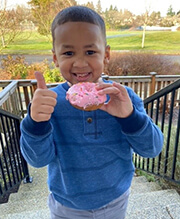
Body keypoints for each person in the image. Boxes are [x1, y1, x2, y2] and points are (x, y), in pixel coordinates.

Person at [20, 6, 164, 219]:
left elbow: (152, 149)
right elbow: (38, 161)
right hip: (65, 207)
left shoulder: (124, 98)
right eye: (68, 53)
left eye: (90, 52)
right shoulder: (50, 104)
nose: (80, 63)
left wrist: (130, 117)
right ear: (55, 58)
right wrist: (36, 123)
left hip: (116, 202)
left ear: (106, 55)